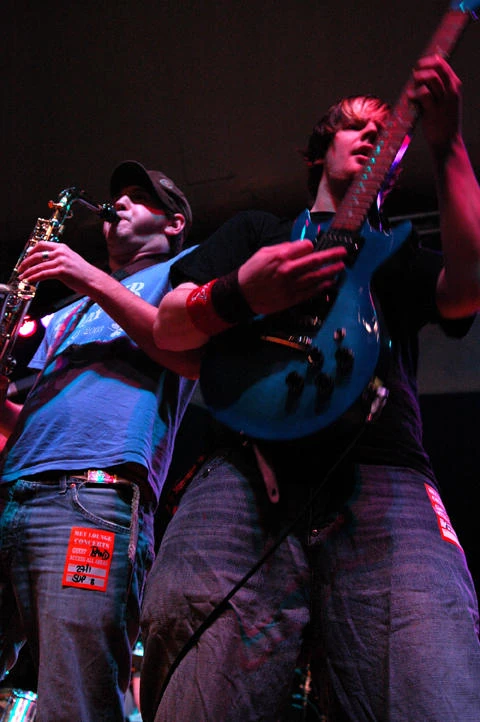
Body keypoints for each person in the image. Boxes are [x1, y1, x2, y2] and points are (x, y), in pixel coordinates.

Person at [139, 54, 480, 722]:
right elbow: (168, 326)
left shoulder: (396, 249)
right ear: (321, 149)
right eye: (355, 124)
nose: (372, 133)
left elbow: (467, 289)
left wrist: (448, 146)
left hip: (384, 478)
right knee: (202, 685)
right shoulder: (257, 231)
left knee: (430, 683)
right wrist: (239, 294)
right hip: (241, 472)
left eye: (386, 131)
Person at [0, 161, 199, 722]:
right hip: (14, 488)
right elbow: (27, 420)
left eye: (139, 196)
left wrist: (88, 277)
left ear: (174, 223)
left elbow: (184, 352)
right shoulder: (69, 312)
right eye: (119, 196)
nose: (120, 204)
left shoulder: (185, 275)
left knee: (75, 699)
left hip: (92, 496)